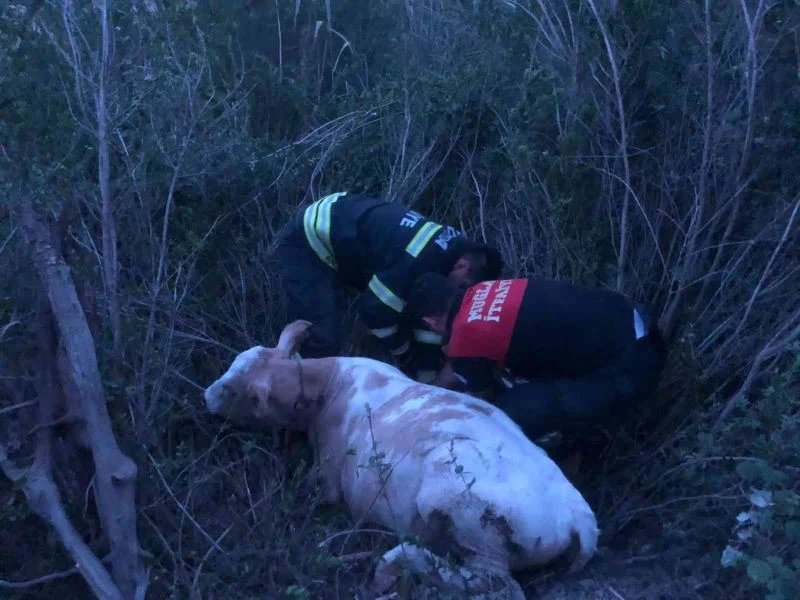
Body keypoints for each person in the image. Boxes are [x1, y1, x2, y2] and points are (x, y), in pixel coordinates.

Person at [407, 273, 668, 444]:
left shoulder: (464, 340)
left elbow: (482, 399)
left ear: (431, 322)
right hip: (638, 322)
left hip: (630, 367)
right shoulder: (486, 288)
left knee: (503, 418)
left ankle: (585, 443)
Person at [274, 191, 503, 382]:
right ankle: (290, 393)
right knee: (320, 338)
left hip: (344, 228)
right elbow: (374, 311)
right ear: (462, 266)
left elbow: (428, 317)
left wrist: (428, 371)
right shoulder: (419, 262)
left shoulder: (453, 251)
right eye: (463, 287)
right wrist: (404, 354)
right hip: (308, 240)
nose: (459, 295)